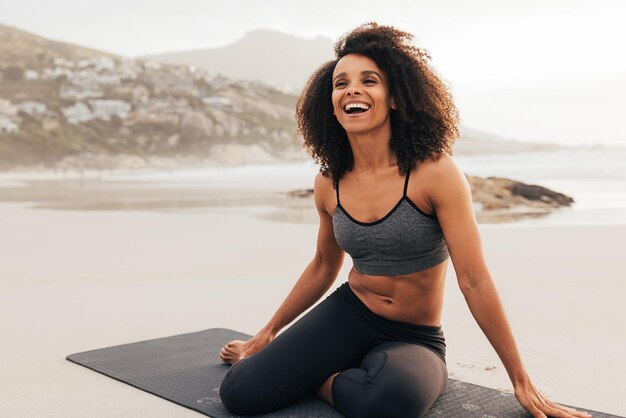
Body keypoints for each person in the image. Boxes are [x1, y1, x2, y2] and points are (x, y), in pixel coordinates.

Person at [218, 22, 591, 418]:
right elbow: (324, 265)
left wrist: (521, 380)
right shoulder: (328, 184)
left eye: (369, 80)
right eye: (341, 83)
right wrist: (267, 333)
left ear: (394, 98)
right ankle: (331, 371)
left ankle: (322, 378)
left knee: (390, 404)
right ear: (331, 104)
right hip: (348, 314)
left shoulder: (435, 173)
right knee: (239, 393)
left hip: (414, 337)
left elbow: (474, 279)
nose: (352, 89)